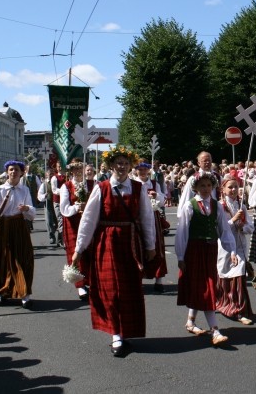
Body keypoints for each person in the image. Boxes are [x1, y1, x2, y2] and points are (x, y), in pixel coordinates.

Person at [72, 147, 156, 357]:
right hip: (107, 243)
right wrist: (79, 248)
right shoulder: (102, 188)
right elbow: (88, 220)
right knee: (110, 289)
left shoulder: (138, 188)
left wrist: (150, 245)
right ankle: (115, 334)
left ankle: (125, 330)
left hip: (129, 244)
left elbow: (146, 219)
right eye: (118, 163)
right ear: (111, 166)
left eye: (125, 163)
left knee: (128, 289)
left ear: (130, 166)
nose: (122, 166)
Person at [176, 171, 237, 346]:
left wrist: (231, 251)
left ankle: (190, 321)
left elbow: (224, 230)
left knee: (203, 285)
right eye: (202, 185)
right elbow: (182, 232)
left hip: (210, 250)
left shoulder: (217, 206)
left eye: (209, 185)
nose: (206, 189)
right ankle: (215, 330)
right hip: (194, 250)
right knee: (206, 286)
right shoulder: (190, 206)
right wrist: (180, 255)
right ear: (195, 187)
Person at [0, 160, 36, 308]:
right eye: (11, 170)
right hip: (3, 226)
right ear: (7, 172)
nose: (13, 172)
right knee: (3, 259)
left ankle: (25, 294)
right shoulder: (0, 189)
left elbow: (32, 211)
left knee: (23, 258)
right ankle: (2, 290)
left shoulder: (24, 190)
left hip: (18, 226)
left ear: (21, 172)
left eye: (16, 170)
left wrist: (26, 209)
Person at [215, 175, 254, 325]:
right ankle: (226, 304)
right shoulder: (219, 206)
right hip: (226, 248)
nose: (233, 190)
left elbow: (250, 227)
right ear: (223, 190)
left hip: (240, 247)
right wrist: (232, 221)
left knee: (239, 278)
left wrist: (242, 226)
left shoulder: (241, 206)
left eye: (236, 187)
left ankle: (240, 310)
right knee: (227, 277)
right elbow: (219, 228)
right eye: (230, 187)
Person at [59, 159, 93, 300]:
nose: (78, 172)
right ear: (71, 171)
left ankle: (92, 281)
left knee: (91, 251)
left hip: (89, 222)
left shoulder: (93, 184)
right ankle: (80, 285)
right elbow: (64, 209)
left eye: (81, 169)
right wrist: (77, 207)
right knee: (75, 251)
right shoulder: (66, 186)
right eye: (75, 170)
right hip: (73, 223)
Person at [135, 160, 168, 293]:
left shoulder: (154, 183)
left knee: (157, 245)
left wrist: (156, 196)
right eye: (140, 170)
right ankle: (139, 277)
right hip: (138, 218)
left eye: (144, 170)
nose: (142, 172)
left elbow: (162, 200)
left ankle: (158, 278)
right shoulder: (133, 183)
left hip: (153, 218)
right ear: (136, 170)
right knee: (139, 247)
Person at [50, 162, 66, 246]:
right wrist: (64, 191)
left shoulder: (67, 177)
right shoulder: (54, 178)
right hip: (57, 201)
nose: (60, 168)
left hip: (66, 201)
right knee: (60, 220)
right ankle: (63, 240)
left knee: (65, 220)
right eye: (58, 166)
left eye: (61, 166)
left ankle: (60, 239)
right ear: (56, 168)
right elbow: (54, 190)